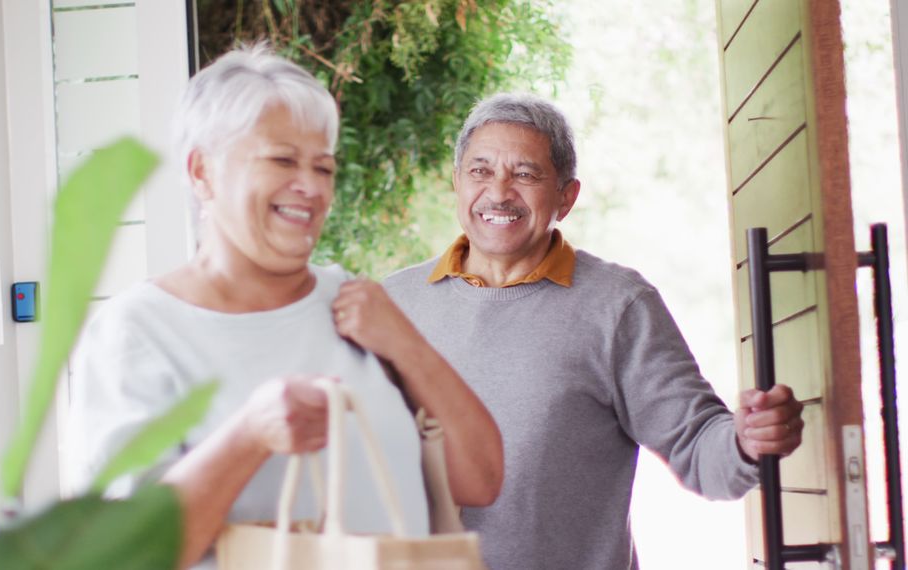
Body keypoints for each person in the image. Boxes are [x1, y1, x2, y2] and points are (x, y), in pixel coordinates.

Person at [66, 46, 502, 570]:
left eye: (324, 167)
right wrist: (250, 433)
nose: (311, 187)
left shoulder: (356, 305)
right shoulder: (137, 331)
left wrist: (406, 345)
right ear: (202, 171)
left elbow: (481, 479)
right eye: (281, 160)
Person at [383, 92, 805, 569]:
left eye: (525, 174)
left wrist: (746, 442)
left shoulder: (617, 306)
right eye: (480, 171)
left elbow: (698, 445)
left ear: (567, 196)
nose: (498, 191)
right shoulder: (391, 303)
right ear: (456, 183)